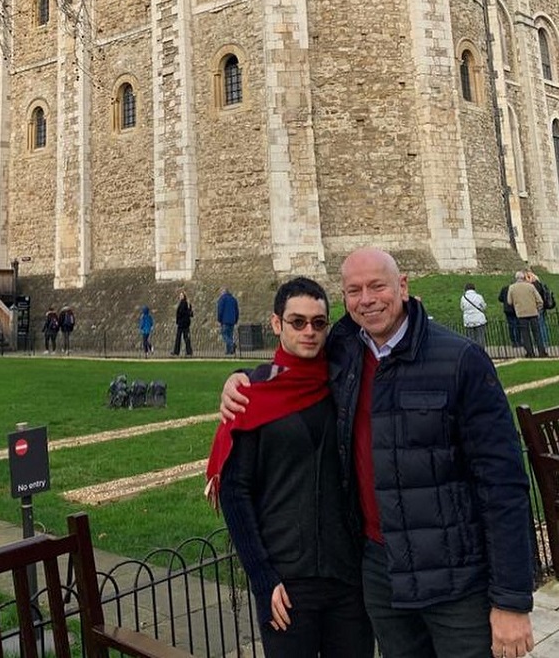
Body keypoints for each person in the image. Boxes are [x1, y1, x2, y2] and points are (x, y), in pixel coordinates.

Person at [221, 247, 535, 658]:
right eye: (354, 290)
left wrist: (511, 599)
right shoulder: (347, 351)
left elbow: (503, 483)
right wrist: (243, 378)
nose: (366, 299)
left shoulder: (461, 360)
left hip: (454, 576)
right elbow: (292, 370)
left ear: (403, 286)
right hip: (381, 574)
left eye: (377, 286)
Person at [207, 277, 373, 658]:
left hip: (347, 576)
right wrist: (263, 579)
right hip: (286, 582)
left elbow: (366, 321)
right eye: (297, 322)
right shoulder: (252, 392)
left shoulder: (343, 383)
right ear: (276, 324)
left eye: (318, 323)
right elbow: (235, 492)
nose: (309, 331)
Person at [507, 269, 547, 358]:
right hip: (533, 312)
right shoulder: (530, 286)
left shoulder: (512, 288)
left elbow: (509, 301)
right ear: (524, 277)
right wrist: (538, 308)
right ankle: (542, 352)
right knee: (537, 333)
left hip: (521, 313)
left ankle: (530, 352)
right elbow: (540, 300)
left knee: (525, 335)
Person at [459, 282, 487, 349]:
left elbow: (462, 308)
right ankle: (481, 351)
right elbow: (483, 307)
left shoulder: (463, 298)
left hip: (468, 320)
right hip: (479, 319)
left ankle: (473, 351)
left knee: (470, 338)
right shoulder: (479, 296)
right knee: (480, 337)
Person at [497, 281, 521, 348]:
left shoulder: (505, 289)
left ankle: (513, 341)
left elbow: (500, 298)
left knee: (511, 326)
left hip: (507, 309)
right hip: (515, 309)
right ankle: (518, 341)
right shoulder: (516, 289)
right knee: (517, 325)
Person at [217, 286, 240, 356]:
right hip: (232, 320)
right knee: (229, 335)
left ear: (223, 292)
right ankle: (229, 351)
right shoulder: (234, 299)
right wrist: (236, 319)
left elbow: (220, 310)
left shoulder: (222, 299)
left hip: (225, 320)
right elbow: (237, 311)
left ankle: (232, 344)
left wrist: (219, 319)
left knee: (224, 335)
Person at [171, 289, 193, 356]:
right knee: (186, 338)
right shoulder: (185, 303)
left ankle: (177, 351)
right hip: (184, 323)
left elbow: (181, 312)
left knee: (180, 338)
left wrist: (178, 318)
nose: (180, 296)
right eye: (180, 295)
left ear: (184, 296)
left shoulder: (183, 303)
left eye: (181, 295)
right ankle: (188, 351)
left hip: (182, 323)